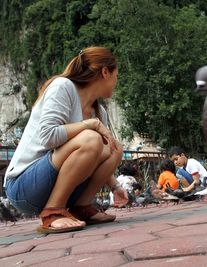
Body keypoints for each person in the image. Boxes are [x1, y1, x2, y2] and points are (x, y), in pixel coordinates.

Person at [3, 46, 128, 234]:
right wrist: (89, 125)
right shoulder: (63, 87)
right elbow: (48, 136)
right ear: (105, 72)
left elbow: (91, 157)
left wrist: (115, 186)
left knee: (114, 147)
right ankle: (52, 211)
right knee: (92, 139)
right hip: (24, 186)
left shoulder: (98, 111)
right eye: (116, 76)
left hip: (60, 185)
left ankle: (81, 208)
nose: (116, 82)